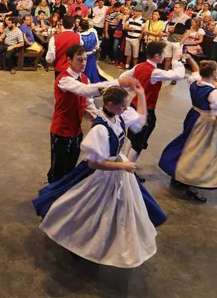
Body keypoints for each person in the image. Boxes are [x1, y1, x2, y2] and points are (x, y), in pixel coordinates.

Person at [34, 85, 167, 268]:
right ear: (111, 105)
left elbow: (140, 121)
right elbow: (94, 163)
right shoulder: (100, 130)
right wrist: (123, 165)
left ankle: (109, 243)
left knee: (116, 210)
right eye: (123, 106)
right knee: (88, 208)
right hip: (102, 174)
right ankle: (79, 242)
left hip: (117, 169)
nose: (126, 110)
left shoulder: (118, 117)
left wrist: (142, 95)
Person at [46, 44, 140, 183]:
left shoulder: (84, 78)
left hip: (76, 130)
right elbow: (85, 90)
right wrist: (118, 82)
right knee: (58, 169)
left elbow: (88, 101)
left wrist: (100, 118)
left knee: (70, 167)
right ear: (68, 60)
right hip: (61, 130)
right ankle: (49, 197)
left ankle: (62, 193)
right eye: (79, 59)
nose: (83, 63)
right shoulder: (63, 79)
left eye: (85, 59)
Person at [159, 59, 217, 203]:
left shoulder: (195, 82)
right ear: (214, 73)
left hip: (193, 115)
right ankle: (190, 181)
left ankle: (178, 175)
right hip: (204, 122)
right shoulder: (214, 92)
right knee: (199, 151)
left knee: (187, 144)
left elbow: (195, 72)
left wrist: (189, 59)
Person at [119, 41, 185, 169]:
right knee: (139, 143)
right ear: (156, 56)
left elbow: (123, 77)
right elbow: (178, 75)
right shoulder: (154, 72)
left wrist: (131, 87)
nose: (165, 55)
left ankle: (125, 162)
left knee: (133, 137)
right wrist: (176, 61)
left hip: (134, 105)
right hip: (146, 109)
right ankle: (127, 169)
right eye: (163, 53)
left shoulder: (139, 66)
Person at [78, 18, 102, 83]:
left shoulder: (79, 36)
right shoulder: (93, 34)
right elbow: (97, 46)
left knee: (84, 74)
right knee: (93, 73)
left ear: (80, 27)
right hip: (91, 56)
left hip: (82, 57)